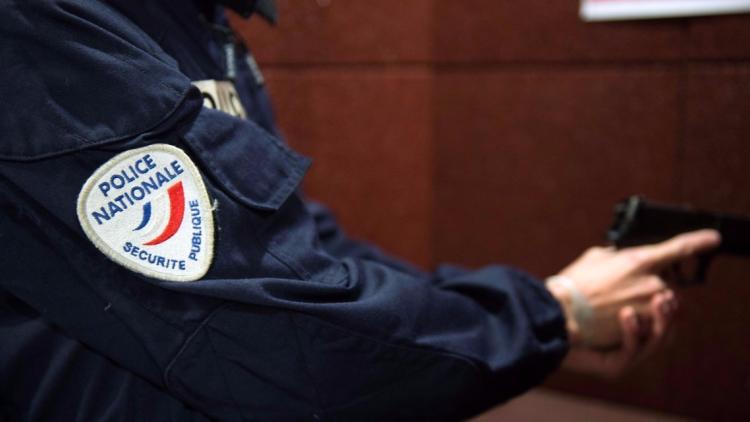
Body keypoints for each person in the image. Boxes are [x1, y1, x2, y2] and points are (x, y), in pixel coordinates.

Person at [0, 1, 720, 420]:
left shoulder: (197, 20)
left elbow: (301, 249)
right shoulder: (41, 21)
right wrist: (550, 316)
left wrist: (539, 326)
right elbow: (284, 333)